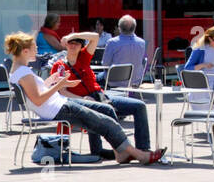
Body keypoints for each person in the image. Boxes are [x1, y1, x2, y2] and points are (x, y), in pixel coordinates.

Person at [5, 32, 164, 165]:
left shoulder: (20, 70)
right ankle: (139, 155)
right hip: (58, 109)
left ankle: (121, 152)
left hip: (59, 105)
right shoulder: (24, 73)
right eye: (34, 48)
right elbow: (38, 100)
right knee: (106, 123)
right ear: (25, 51)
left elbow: (36, 93)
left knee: (106, 110)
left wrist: (52, 81)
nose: (37, 50)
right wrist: (59, 85)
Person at [50, 31, 152, 160]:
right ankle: (120, 149)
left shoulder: (84, 57)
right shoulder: (59, 66)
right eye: (70, 43)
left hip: (101, 96)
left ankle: (142, 148)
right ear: (66, 45)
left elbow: (95, 37)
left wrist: (72, 36)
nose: (73, 45)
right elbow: (62, 91)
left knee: (139, 106)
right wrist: (84, 99)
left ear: (82, 47)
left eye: (77, 43)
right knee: (101, 109)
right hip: (80, 102)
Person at [100, 14, 148, 87]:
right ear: (134, 28)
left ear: (119, 28)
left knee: (94, 78)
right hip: (135, 81)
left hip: (114, 81)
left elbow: (105, 64)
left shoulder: (112, 42)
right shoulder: (142, 43)